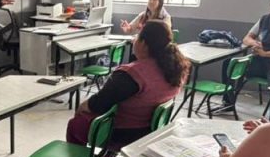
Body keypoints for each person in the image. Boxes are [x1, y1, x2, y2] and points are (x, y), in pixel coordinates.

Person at [66, 20, 188, 149]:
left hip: (124, 133)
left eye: (137, 36)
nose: (134, 39)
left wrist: (81, 108)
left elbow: (98, 104)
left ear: (144, 44)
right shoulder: (177, 68)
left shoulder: (131, 74)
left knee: (75, 124)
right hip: (152, 130)